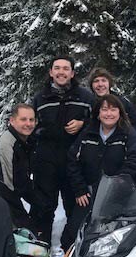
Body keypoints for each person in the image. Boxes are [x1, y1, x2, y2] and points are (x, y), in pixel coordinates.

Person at [63, 94, 136, 249]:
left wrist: (119, 183)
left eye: (113, 109)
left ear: (120, 112)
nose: (109, 114)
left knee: (112, 237)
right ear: (98, 113)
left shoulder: (128, 134)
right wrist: (79, 188)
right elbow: (72, 160)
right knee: (72, 233)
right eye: (105, 109)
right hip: (88, 194)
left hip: (117, 196)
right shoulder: (88, 133)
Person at [30, 56, 95, 243]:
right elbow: (30, 128)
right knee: (43, 211)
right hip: (46, 165)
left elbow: (98, 124)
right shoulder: (39, 98)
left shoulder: (85, 97)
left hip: (74, 166)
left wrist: (83, 124)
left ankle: (72, 252)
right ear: (51, 72)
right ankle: (40, 254)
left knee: (76, 211)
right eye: (57, 68)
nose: (61, 72)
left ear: (72, 73)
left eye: (66, 68)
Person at [0, 103, 47, 231]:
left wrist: (41, 202)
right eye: (23, 119)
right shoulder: (5, 145)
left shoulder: (25, 142)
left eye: (31, 120)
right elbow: (4, 189)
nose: (28, 123)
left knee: (44, 207)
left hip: (13, 191)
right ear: (12, 121)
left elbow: (22, 178)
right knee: (25, 232)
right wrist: (24, 222)